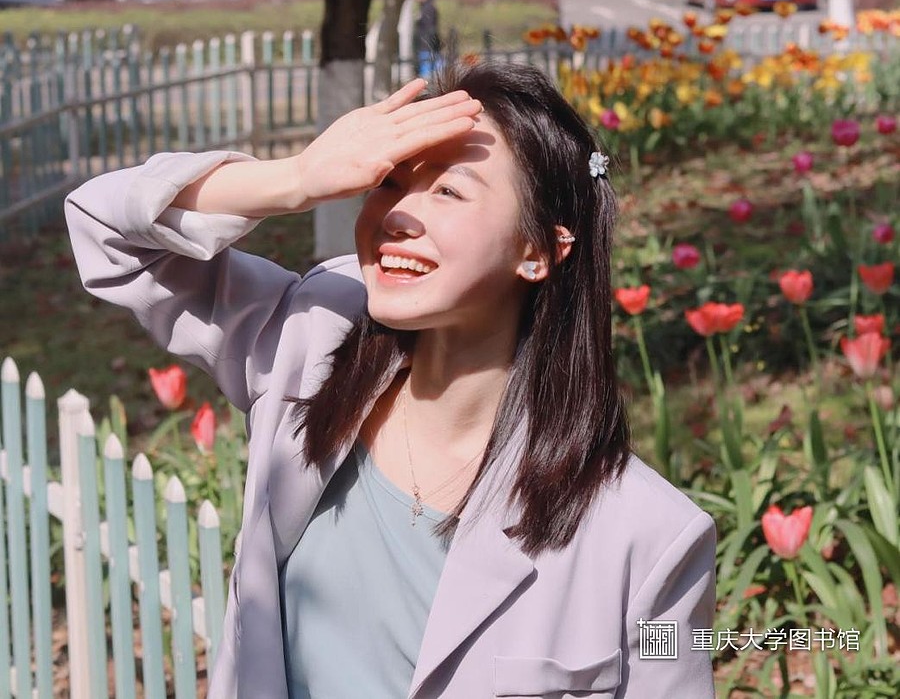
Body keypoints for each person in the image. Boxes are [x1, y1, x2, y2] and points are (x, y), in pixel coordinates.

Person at [65, 61, 717, 699]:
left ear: (539, 250)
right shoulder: (307, 344)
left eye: (449, 192)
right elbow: (106, 229)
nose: (399, 213)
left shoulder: (648, 538)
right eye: (390, 182)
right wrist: (296, 178)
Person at [412, 0, 440, 77]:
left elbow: (430, 29)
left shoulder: (429, 8)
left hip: (427, 48)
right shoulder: (423, 7)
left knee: (427, 77)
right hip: (424, 47)